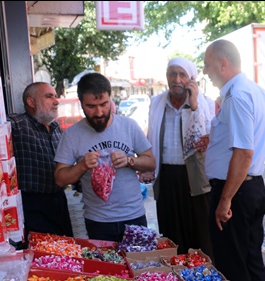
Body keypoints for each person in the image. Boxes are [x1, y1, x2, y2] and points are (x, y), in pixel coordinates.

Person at [201, 39, 265, 281]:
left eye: (208, 65)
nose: (206, 72)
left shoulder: (238, 96)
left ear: (223, 63)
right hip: (249, 187)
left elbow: (244, 153)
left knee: (234, 266)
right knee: (251, 261)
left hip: (237, 191)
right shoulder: (254, 91)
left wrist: (225, 200)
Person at [54, 72, 156, 242]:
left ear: (111, 99)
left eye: (104, 104)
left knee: (139, 266)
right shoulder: (72, 135)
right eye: (91, 106)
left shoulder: (129, 126)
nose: (99, 112)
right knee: (105, 269)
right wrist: (82, 166)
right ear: (81, 104)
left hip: (134, 216)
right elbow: (59, 179)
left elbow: (151, 162)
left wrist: (131, 161)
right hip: (98, 221)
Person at [146, 58, 213, 258]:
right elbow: (151, 136)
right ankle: (175, 278)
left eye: (182, 74)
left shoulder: (204, 104)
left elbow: (204, 140)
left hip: (194, 178)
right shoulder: (157, 103)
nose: (177, 79)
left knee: (200, 234)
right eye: (172, 74)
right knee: (171, 235)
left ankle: (202, 278)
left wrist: (194, 107)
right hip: (166, 176)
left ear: (191, 78)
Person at [8, 82, 73, 241]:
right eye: (49, 96)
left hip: (59, 201)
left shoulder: (56, 127)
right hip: (32, 204)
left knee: (65, 249)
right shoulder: (17, 124)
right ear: (31, 102)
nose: (56, 101)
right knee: (43, 252)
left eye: (55, 96)